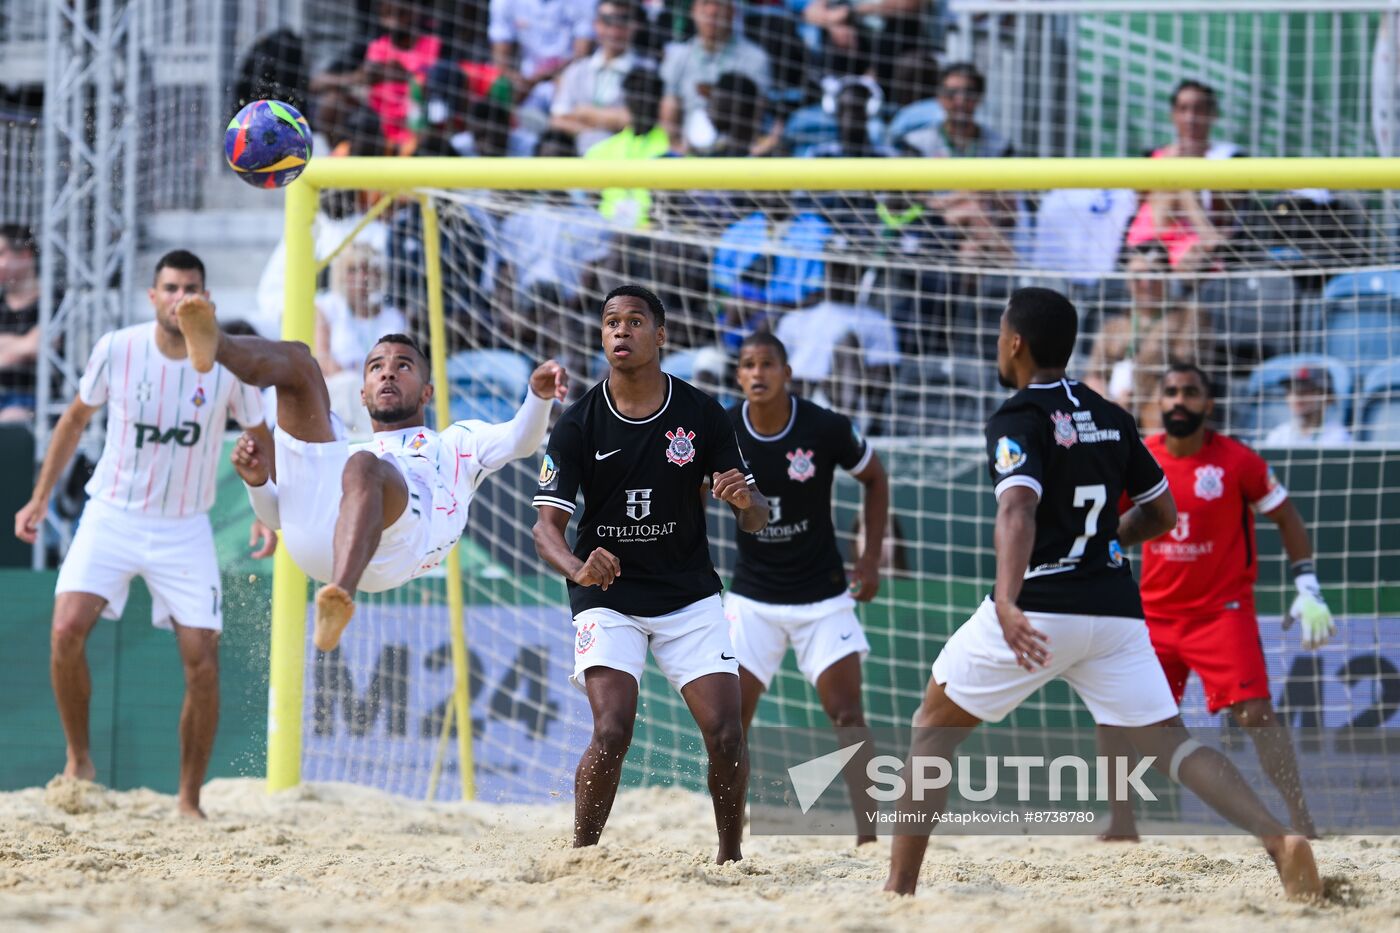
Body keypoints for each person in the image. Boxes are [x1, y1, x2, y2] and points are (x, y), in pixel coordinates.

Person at [883, 287, 1321, 901]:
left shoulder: (1018, 417)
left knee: (931, 727)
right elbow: (1162, 513)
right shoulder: (1111, 415)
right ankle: (1279, 840)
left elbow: (1017, 509)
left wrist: (1007, 599)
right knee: (1173, 743)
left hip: (1040, 605)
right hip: (1115, 610)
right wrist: (1108, 540)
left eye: (1001, 336)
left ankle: (899, 889)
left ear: (1015, 344)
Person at [12, 250, 275, 818]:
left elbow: (259, 434)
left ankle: (188, 800)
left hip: (185, 526)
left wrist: (265, 510)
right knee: (64, 631)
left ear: (207, 301)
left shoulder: (225, 364)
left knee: (202, 659)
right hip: (112, 513)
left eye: (192, 289)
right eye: (171, 287)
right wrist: (38, 498)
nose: (182, 298)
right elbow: (74, 419)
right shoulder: (118, 348)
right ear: (153, 296)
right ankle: (79, 760)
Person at [175, 300, 567, 653]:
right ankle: (215, 345)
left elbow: (521, 438)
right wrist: (256, 481)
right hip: (318, 542)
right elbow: (277, 517)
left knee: (364, 468)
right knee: (299, 360)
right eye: (376, 367)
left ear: (427, 392)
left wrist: (538, 397)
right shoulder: (345, 452)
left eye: (403, 366)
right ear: (362, 393)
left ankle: (338, 600)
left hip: (398, 551)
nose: (388, 374)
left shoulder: (456, 442)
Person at [531, 284, 768, 863]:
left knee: (727, 734)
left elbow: (757, 516)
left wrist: (745, 503)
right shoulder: (578, 422)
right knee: (613, 730)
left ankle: (731, 859)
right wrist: (579, 568)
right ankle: (583, 855)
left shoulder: (700, 412)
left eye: (635, 321)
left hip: (688, 595)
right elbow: (545, 531)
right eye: (612, 321)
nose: (621, 331)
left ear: (660, 336)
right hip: (607, 595)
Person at [1098, 363, 1334, 841]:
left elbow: (1287, 518)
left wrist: (1306, 583)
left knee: (1256, 714)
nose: (1179, 400)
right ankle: (1122, 824)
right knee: (1115, 716)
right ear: (1158, 403)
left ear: (1208, 404)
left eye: (1190, 392)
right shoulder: (1141, 458)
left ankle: (1301, 820)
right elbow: (1109, 526)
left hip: (1220, 613)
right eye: (1170, 392)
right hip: (1154, 617)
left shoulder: (1238, 462)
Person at [726, 331, 889, 845]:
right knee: (730, 722)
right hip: (752, 598)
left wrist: (868, 558)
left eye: (767, 364)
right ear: (738, 376)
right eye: (748, 365)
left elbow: (876, 478)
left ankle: (869, 836)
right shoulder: (724, 428)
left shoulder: (823, 426)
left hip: (823, 596)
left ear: (787, 373)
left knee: (847, 714)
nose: (758, 373)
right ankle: (731, 837)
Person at [1125, 80, 1242, 271]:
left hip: (1193, 249)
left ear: (1213, 114)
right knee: (1144, 270)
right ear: (1173, 115)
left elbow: (1229, 211)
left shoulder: (1228, 158)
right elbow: (1141, 205)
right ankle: (1205, 236)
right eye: (1183, 109)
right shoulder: (1156, 156)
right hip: (1154, 240)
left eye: (1199, 109)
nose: (1190, 118)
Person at [658, 0, 771, 153]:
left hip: (736, 151)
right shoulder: (678, 57)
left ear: (733, 12)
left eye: (719, 4)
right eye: (705, 3)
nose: (712, 11)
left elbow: (757, 114)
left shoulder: (755, 58)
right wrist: (676, 146)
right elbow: (669, 107)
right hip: (687, 152)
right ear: (693, 11)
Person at [549, 0, 639, 155]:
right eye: (607, 21)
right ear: (596, 24)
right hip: (578, 157)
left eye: (622, 22)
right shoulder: (576, 70)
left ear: (634, 26)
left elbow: (633, 122)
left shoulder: (645, 72)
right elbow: (558, 119)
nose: (614, 30)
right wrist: (605, 126)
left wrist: (583, 113)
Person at [0, 224, 41, 422]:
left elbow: (35, 346)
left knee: (11, 420)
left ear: (25, 255)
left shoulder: (53, 301)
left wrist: (17, 347)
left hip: (33, 399)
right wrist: (19, 343)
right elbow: (25, 346)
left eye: (1, 254)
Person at [1264, 366, 1353, 446]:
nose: (1296, 397)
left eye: (1305, 391)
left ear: (1328, 398)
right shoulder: (1279, 435)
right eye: (1290, 390)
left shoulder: (1338, 437)